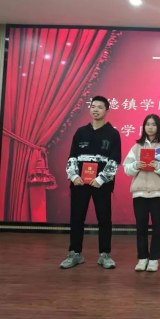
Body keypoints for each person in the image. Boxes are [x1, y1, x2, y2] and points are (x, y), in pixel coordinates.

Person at [60, 96, 122, 269]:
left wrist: (101, 178)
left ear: (107, 111)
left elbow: (115, 160)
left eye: (100, 107)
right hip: (79, 184)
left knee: (104, 219)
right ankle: (75, 253)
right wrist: (74, 176)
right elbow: (72, 157)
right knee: (77, 218)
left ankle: (104, 254)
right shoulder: (80, 132)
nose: (95, 110)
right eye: (93, 106)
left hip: (101, 184)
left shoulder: (113, 133)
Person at [123, 114, 160, 272]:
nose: (150, 127)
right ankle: (142, 258)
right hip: (139, 193)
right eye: (147, 124)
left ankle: (154, 259)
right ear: (144, 127)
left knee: (157, 228)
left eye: (153, 124)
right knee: (141, 227)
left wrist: (159, 166)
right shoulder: (137, 146)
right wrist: (136, 166)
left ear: (158, 126)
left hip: (158, 194)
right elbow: (126, 168)